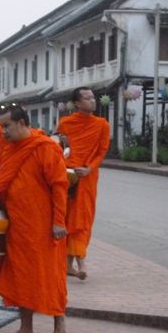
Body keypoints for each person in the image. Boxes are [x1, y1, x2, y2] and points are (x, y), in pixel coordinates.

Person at [0, 105, 69, 333]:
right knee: (20, 275)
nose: (2, 131)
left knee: (49, 273)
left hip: (43, 225)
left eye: (6, 126)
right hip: (16, 225)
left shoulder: (44, 147)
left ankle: (59, 319)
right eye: (1, 126)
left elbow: (59, 186)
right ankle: (26, 328)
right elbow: (3, 182)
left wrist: (59, 221)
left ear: (22, 123)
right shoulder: (9, 149)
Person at [57, 87, 110, 280]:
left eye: (93, 97)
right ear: (78, 103)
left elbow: (101, 151)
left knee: (82, 219)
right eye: (87, 98)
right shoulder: (65, 123)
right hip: (68, 175)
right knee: (68, 218)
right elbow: (63, 149)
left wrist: (89, 168)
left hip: (87, 176)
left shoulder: (102, 124)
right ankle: (72, 264)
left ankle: (77, 262)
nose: (93, 101)